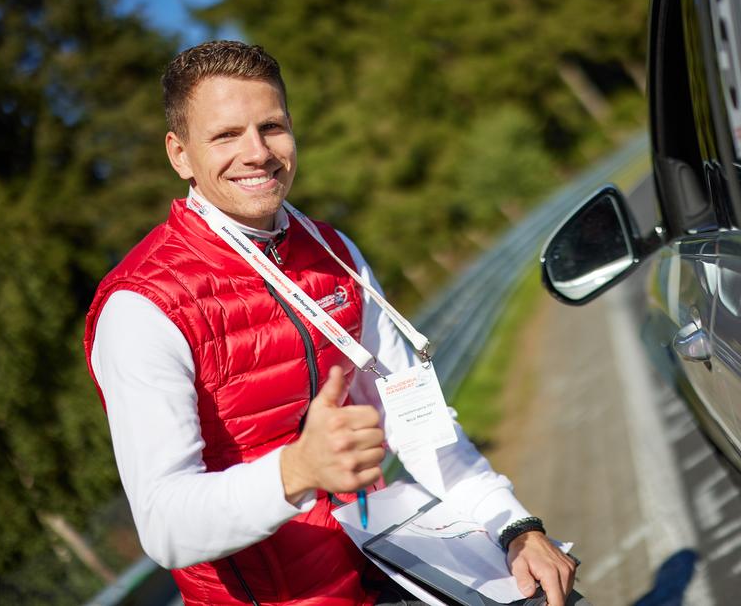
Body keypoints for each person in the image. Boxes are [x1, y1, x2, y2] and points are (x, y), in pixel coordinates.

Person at [82, 40, 576, 606]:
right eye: (225, 135)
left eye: (271, 126)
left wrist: (513, 527)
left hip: (385, 572)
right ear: (180, 154)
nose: (257, 153)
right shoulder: (142, 307)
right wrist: (296, 470)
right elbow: (164, 526)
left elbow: (416, 424)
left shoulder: (334, 251)